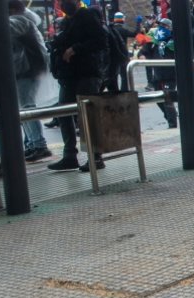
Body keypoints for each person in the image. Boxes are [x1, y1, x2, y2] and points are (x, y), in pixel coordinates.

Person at [48, 0, 108, 172]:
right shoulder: (66, 21)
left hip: (86, 73)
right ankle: (69, 155)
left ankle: (95, 156)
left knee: (86, 115)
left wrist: (75, 49)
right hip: (68, 75)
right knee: (63, 113)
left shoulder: (87, 16)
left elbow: (101, 41)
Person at [8, 0, 52, 162]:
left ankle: (39, 145)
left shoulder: (20, 20)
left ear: (12, 10)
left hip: (26, 70)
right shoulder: (27, 19)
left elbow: (2, 29)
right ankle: (32, 143)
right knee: (24, 108)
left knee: (26, 108)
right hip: (28, 69)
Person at [138, 18, 179, 129]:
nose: (161, 28)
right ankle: (169, 116)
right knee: (158, 99)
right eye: (160, 25)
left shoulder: (174, 40)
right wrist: (142, 55)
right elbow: (144, 50)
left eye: (164, 26)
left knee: (168, 98)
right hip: (157, 75)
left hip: (170, 74)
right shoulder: (154, 40)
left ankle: (172, 124)